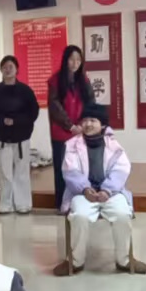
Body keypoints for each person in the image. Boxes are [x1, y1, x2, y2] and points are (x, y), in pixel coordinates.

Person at [56, 103, 146, 275]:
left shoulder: (114, 145)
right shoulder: (71, 145)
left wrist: (107, 190)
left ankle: (124, 260)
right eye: (85, 120)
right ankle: (75, 261)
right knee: (80, 216)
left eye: (93, 120)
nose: (88, 124)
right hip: (82, 193)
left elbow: (121, 170)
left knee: (122, 215)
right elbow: (70, 171)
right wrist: (85, 189)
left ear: (103, 124)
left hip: (111, 193)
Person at [0, 54, 39, 214]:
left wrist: (17, 121)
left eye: (10, 67)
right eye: (5, 67)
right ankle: (6, 203)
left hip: (22, 136)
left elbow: (33, 112)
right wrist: (2, 120)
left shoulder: (25, 90)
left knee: (22, 172)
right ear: (1, 70)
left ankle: (23, 204)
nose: (8, 69)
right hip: (3, 137)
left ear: (17, 69)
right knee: (5, 172)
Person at [46, 44, 93, 204]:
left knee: (79, 168)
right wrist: (70, 126)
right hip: (62, 132)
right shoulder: (55, 81)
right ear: (65, 60)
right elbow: (55, 107)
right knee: (62, 168)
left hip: (81, 130)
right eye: (72, 59)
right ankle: (61, 203)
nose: (75, 63)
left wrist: (83, 124)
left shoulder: (84, 80)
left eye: (78, 60)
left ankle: (79, 201)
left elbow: (90, 103)